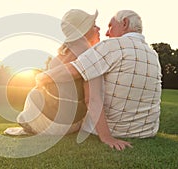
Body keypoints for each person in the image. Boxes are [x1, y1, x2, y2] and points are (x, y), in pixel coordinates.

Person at [36, 10, 162, 150]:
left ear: (124, 23)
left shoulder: (112, 46)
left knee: (84, 78)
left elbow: (73, 72)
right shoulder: (153, 54)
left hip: (114, 130)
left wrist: (42, 77)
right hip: (147, 132)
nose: (107, 33)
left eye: (110, 26)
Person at [4, 9, 100, 135]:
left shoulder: (66, 53)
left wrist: (43, 77)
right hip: (70, 124)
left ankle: (34, 122)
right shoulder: (87, 51)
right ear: (84, 30)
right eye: (94, 26)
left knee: (36, 91)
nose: (98, 28)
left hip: (60, 123)